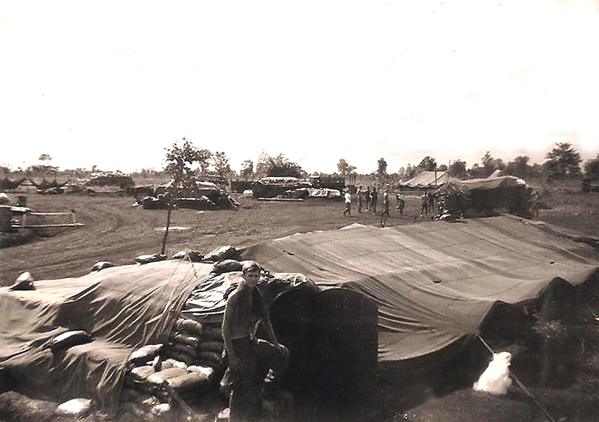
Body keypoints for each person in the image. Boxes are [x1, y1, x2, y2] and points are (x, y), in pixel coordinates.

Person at [222, 261, 290, 422]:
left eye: (256, 276)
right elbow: (225, 329)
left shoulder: (255, 293)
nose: (253, 279)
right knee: (242, 387)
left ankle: (267, 390)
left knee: (282, 354)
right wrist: (231, 355)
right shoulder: (235, 297)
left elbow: (266, 319)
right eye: (250, 276)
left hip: (250, 341)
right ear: (243, 276)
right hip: (237, 345)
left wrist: (275, 344)